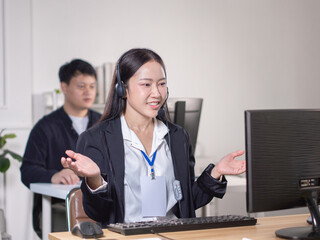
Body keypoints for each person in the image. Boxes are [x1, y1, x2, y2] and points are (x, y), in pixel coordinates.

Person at [61, 48, 245, 226]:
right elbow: (98, 213)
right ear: (122, 89)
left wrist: (216, 173)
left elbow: (188, 202)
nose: (157, 93)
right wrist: (95, 180)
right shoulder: (96, 139)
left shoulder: (178, 137)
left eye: (162, 83)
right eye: (146, 84)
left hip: (174, 235)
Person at [20, 59, 102, 238]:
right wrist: (53, 176)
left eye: (92, 86)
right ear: (64, 87)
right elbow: (27, 170)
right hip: (58, 207)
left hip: (100, 205)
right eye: (81, 86)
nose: (88, 91)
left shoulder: (103, 124)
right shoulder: (45, 127)